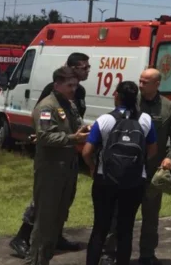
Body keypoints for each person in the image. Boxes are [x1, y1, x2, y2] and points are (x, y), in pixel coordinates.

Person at [9, 53, 90, 258]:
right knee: (44, 217)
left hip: (67, 165)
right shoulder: (48, 105)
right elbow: (45, 136)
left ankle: (50, 248)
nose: (74, 89)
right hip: (51, 167)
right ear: (57, 85)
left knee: (59, 212)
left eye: (74, 85)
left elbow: (73, 124)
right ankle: (33, 256)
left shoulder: (69, 102)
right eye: (69, 86)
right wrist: (74, 137)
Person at [82, 81, 158, 265]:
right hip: (134, 182)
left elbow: (86, 152)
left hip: (105, 180)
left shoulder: (105, 120)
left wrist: (93, 167)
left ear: (117, 96)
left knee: (100, 228)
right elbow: (153, 151)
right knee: (126, 229)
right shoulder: (146, 120)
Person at [136, 67, 171, 265]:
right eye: (140, 80)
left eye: (145, 82)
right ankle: (113, 254)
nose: (140, 85)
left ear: (157, 84)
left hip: (152, 171)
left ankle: (147, 255)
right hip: (128, 170)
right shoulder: (131, 102)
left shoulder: (168, 108)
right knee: (120, 215)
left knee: (150, 216)